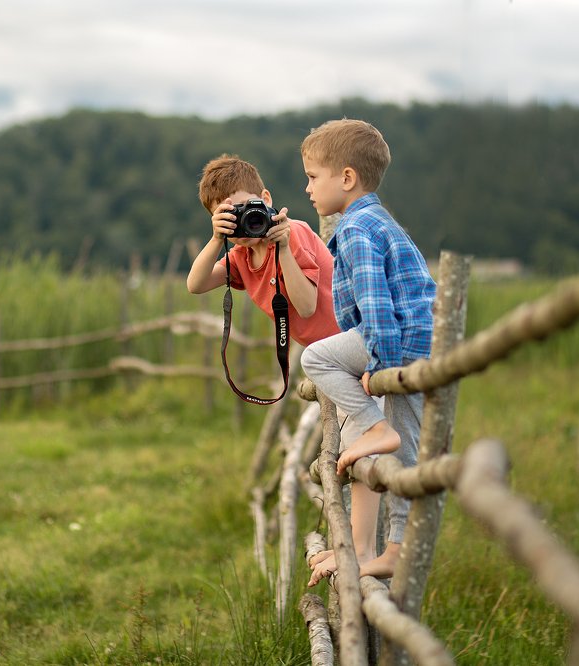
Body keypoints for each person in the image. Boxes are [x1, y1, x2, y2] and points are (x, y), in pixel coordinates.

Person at [299, 119, 436, 587]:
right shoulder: (375, 220)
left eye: (314, 176)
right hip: (418, 343)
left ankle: (375, 427)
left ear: (347, 178)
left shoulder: (357, 228)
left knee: (316, 358)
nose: (308, 187)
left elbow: (377, 308)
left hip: (397, 341)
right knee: (407, 453)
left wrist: (379, 367)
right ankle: (390, 550)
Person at [187, 154, 340, 350]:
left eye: (246, 208)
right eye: (230, 215)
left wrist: (283, 249)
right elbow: (196, 285)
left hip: (348, 337)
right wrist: (217, 238)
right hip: (325, 350)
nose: (243, 221)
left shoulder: (292, 232)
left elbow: (306, 307)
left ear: (265, 199)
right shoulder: (241, 256)